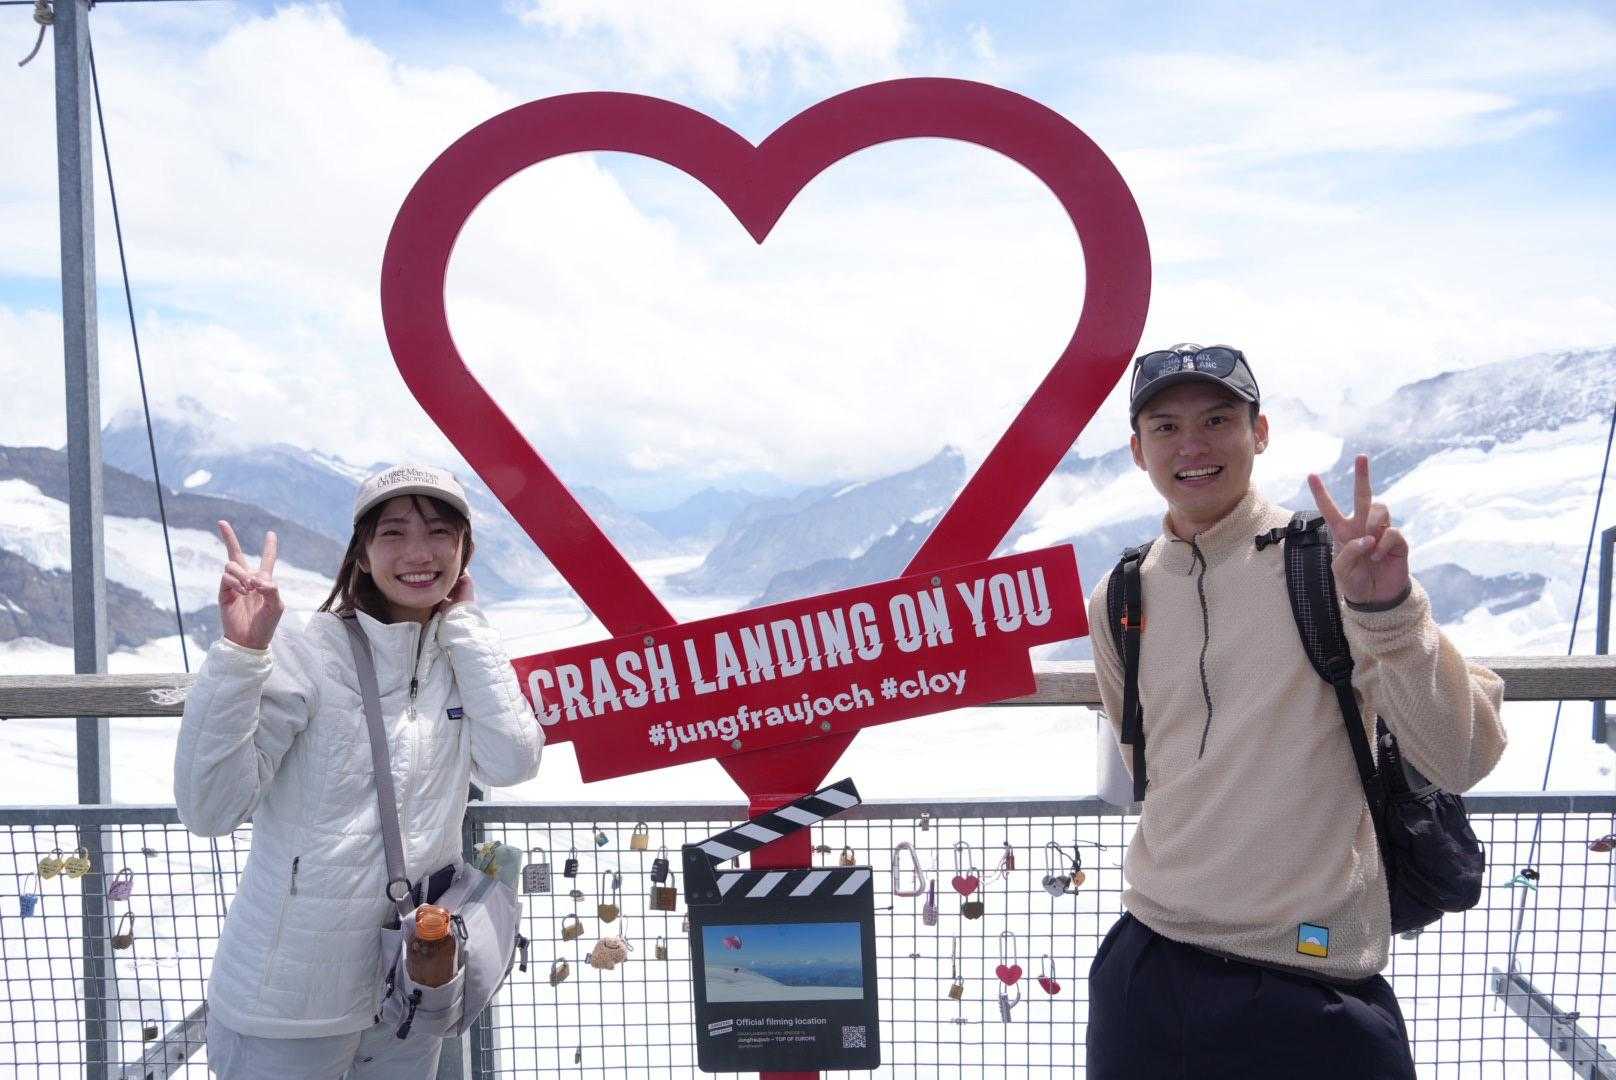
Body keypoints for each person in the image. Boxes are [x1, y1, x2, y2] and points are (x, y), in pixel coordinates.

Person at [1084, 344, 1507, 1079]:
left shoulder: (1329, 564)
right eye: (1166, 426)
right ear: (1137, 450)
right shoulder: (1121, 596)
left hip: (1312, 975)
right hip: (1149, 964)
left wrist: (1389, 612)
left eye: (1218, 419)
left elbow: (1460, 757)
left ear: (1260, 432)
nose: (1192, 445)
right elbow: (1142, 760)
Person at [175, 464, 543, 1079]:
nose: (419, 553)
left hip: (409, 989)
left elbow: (513, 761)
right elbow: (209, 809)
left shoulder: (458, 657)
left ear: (464, 551)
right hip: (289, 1002)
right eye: (393, 533)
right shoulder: (311, 650)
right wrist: (241, 655)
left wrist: (466, 628)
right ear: (362, 554)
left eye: (440, 533)